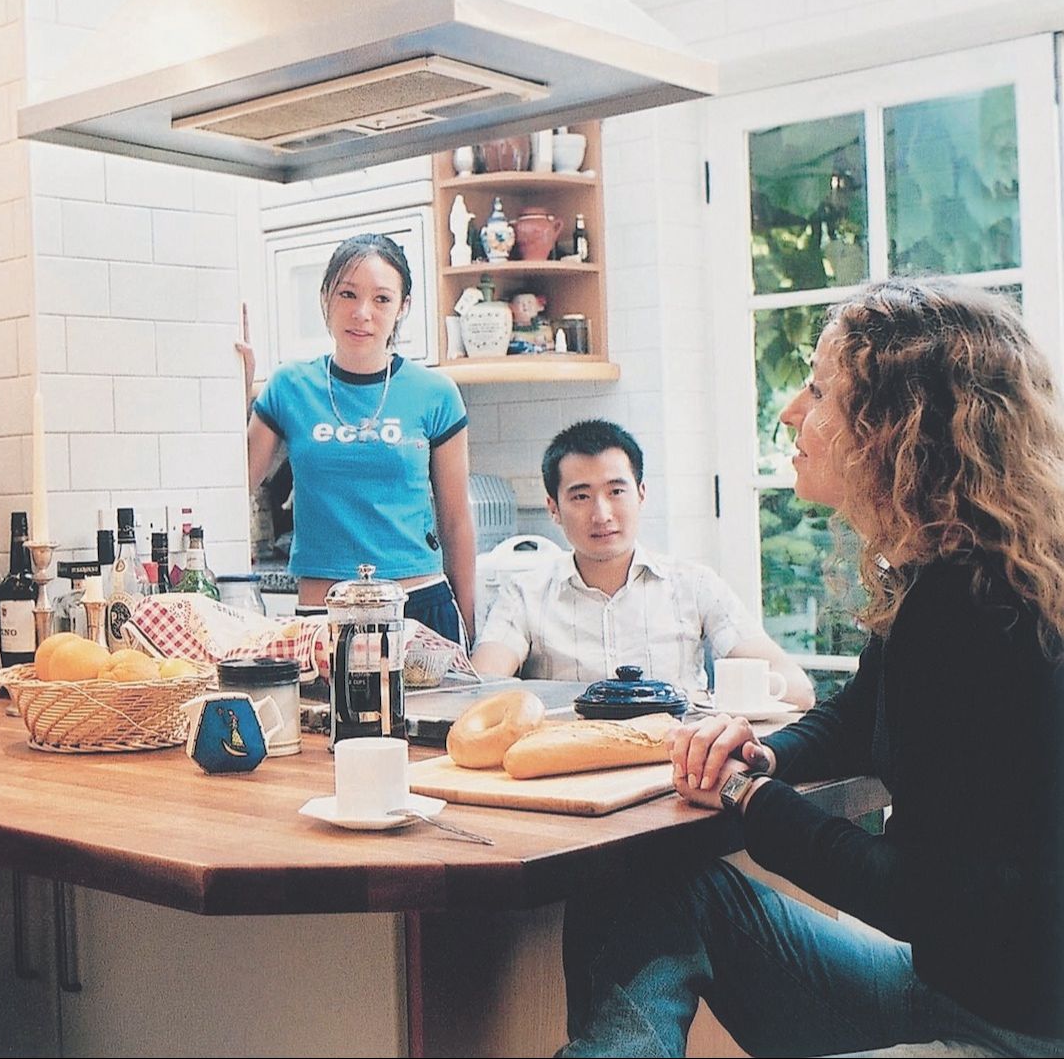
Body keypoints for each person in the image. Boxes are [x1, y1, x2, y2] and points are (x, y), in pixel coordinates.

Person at [560, 280, 1064, 1056]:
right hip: (975, 989)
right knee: (639, 880)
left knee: (643, 888)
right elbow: (862, 711)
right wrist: (764, 753)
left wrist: (747, 796)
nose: (794, 411)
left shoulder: (970, 609)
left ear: (897, 428)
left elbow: (919, 895)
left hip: (1004, 1030)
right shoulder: (972, 569)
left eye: (821, 390)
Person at [471, 420, 814, 708]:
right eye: (581, 496)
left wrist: (706, 701)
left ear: (641, 494)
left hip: (677, 757)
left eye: (616, 492)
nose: (602, 514)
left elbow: (796, 688)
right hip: (566, 758)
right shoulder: (525, 593)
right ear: (553, 508)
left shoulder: (694, 585)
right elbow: (478, 693)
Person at [241, 233, 476, 642]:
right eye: (347, 294)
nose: (362, 313)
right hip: (322, 615)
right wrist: (235, 391)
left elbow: (456, 523)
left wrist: (469, 629)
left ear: (402, 307)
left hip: (419, 607)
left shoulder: (436, 393)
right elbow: (234, 485)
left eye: (382, 299)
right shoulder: (289, 386)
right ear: (326, 298)